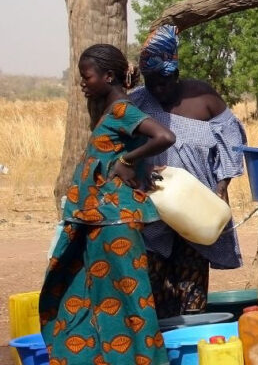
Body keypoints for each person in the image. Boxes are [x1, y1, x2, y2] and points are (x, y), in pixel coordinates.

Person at [39, 44, 176, 364]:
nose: (82, 83)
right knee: (87, 296)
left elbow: (164, 137)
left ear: (109, 76)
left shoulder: (122, 110)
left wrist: (129, 160)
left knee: (130, 303)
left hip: (114, 223)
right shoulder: (110, 112)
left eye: (86, 76)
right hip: (96, 221)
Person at [129, 24, 248, 318]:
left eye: (164, 81)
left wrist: (222, 187)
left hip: (195, 209)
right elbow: (119, 148)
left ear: (176, 73)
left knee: (191, 287)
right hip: (151, 213)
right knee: (153, 291)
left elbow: (231, 142)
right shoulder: (137, 103)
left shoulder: (203, 99)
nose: (158, 89)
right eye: (152, 82)